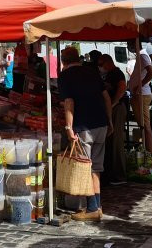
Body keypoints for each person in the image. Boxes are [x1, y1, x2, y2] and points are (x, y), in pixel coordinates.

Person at [58, 46, 113, 221]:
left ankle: (91, 208)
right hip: (101, 124)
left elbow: (69, 102)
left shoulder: (65, 75)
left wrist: (68, 127)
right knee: (96, 168)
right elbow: (106, 97)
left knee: (86, 168)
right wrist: (110, 120)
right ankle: (97, 206)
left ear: (63, 61)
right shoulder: (92, 71)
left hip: (84, 127)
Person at [98, 53, 128, 185]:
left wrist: (113, 103)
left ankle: (118, 175)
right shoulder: (108, 74)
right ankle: (110, 173)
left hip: (117, 109)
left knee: (116, 141)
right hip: (109, 109)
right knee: (109, 141)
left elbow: (122, 88)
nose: (100, 67)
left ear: (108, 62)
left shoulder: (117, 73)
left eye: (101, 64)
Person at [128, 44, 152, 153]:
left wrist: (140, 85)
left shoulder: (143, 56)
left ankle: (150, 153)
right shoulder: (141, 56)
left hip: (142, 95)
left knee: (145, 126)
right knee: (142, 125)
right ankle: (145, 150)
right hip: (139, 94)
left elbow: (151, 72)